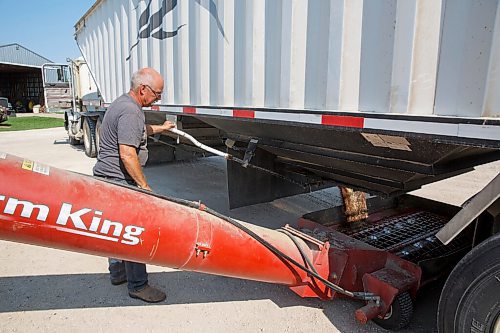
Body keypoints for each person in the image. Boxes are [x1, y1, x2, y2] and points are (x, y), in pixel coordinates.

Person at [93, 67, 175, 303]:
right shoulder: (131, 111)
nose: (159, 98)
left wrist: (162, 128)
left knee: (116, 230)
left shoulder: (122, 104)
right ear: (143, 89)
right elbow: (127, 153)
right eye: (157, 94)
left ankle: (118, 273)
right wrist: (143, 187)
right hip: (119, 180)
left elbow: (137, 132)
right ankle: (138, 285)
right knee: (133, 232)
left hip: (108, 179)